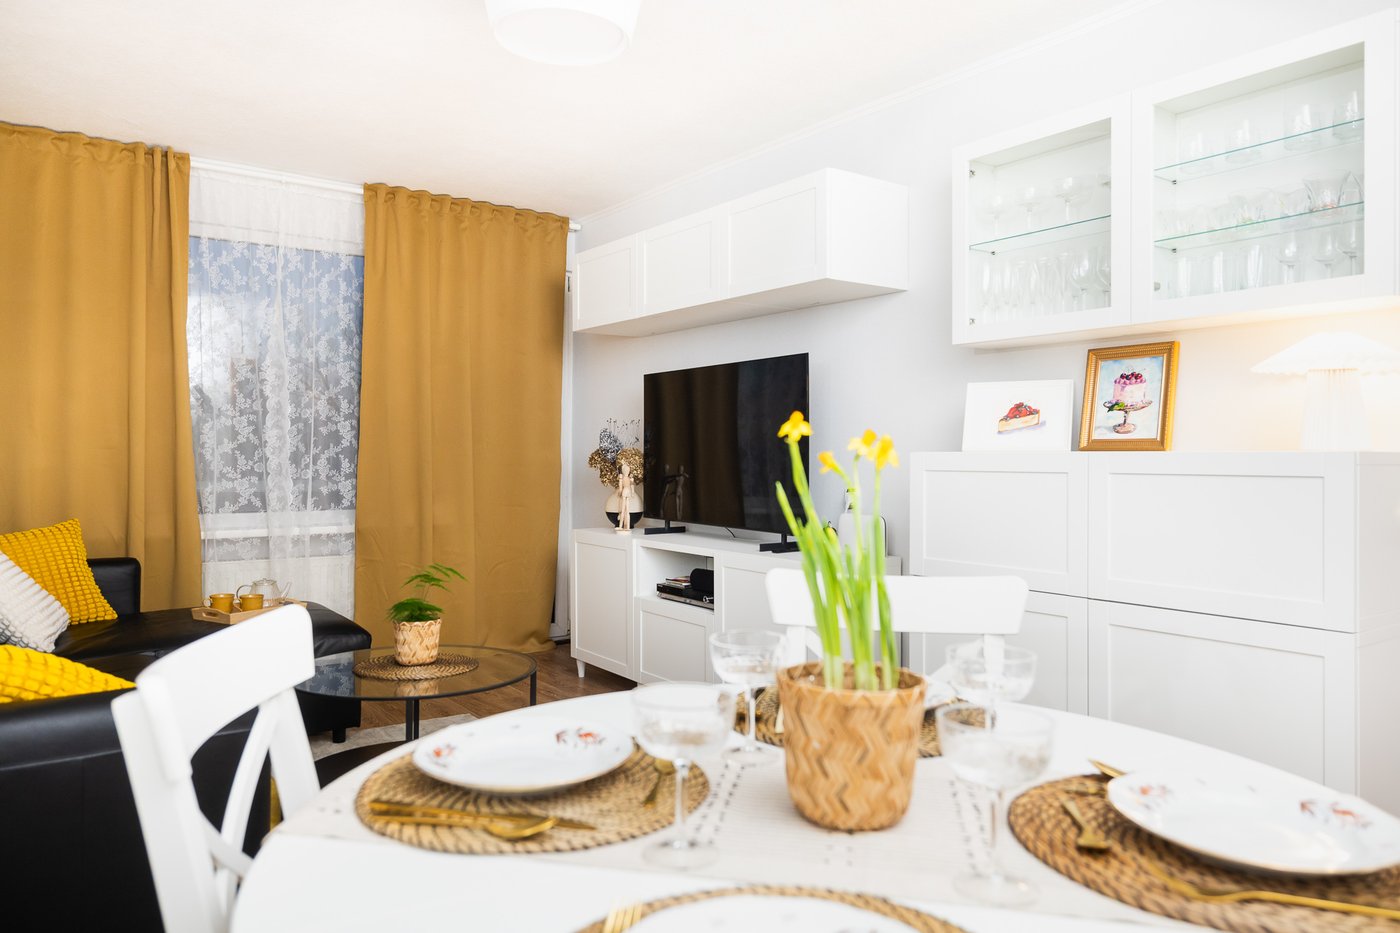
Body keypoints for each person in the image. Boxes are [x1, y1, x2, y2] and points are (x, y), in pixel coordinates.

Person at [616, 461, 635, 532]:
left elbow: (620, 488)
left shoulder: (622, 478)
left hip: (624, 492)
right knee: (627, 510)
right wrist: (632, 493)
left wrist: (619, 493)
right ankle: (627, 526)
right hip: (629, 492)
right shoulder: (631, 479)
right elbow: (632, 487)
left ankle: (621, 526)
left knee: (623, 510)